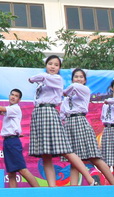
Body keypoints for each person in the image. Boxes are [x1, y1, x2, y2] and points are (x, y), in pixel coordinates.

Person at [28, 55, 95, 187]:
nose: (52, 66)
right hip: (39, 113)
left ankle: (91, 180)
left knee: (65, 149)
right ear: (46, 65)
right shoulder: (42, 82)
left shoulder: (56, 79)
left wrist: (32, 78)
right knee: (45, 154)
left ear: (59, 68)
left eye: (56, 65)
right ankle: (52, 187)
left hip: (49, 112)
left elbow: (36, 78)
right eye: (50, 64)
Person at [62, 68, 114, 185]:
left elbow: (74, 88)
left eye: (81, 77)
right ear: (72, 79)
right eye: (76, 77)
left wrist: (65, 90)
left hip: (80, 122)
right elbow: (63, 112)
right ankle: (73, 188)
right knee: (74, 160)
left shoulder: (84, 90)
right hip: (69, 124)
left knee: (94, 157)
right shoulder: (67, 97)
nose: (78, 79)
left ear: (85, 80)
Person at [0, 88, 39, 187]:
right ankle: (13, 195)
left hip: (13, 141)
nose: (13, 97)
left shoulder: (15, 108)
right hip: (7, 141)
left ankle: (39, 190)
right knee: (11, 172)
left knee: (22, 169)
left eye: (16, 96)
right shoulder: (10, 109)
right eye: (12, 95)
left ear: (19, 100)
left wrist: (1, 111)